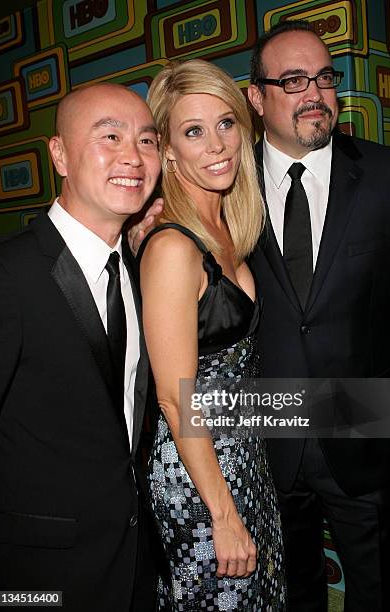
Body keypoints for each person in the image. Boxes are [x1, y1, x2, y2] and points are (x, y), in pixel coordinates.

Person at [246, 19, 390, 612]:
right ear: (257, 97)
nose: (314, 94)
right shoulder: (222, 185)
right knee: (292, 588)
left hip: (367, 422)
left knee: (379, 588)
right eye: (294, 80)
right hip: (266, 431)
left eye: (324, 78)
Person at [0, 83, 162, 611]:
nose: (132, 156)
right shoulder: (6, 275)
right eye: (109, 136)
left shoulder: (140, 272)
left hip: (132, 557)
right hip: (36, 573)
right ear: (60, 155)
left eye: (147, 140)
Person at [136, 59, 286, 610]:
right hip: (196, 478)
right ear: (168, 151)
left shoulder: (228, 224)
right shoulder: (174, 247)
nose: (216, 144)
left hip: (242, 457)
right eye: (192, 131)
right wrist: (222, 515)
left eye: (225, 123)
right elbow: (176, 398)